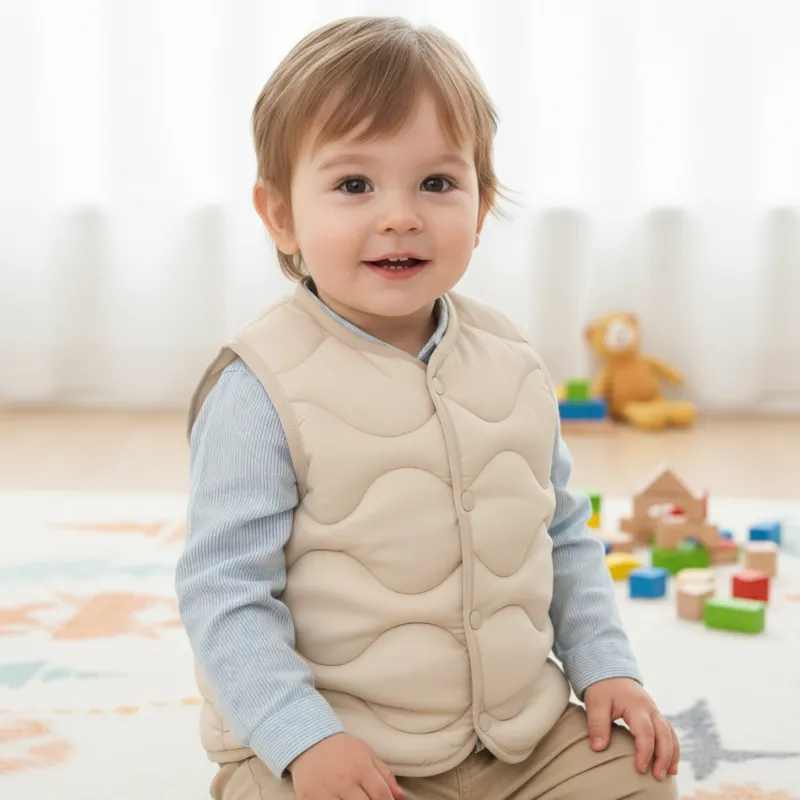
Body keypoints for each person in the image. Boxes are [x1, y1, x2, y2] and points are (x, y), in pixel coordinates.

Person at [175, 15, 679, 800]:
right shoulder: (259, 389)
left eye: (437, 184)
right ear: (280, 215)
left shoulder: (511, 359)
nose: (400, 216)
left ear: (481, 205)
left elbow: (561, 533)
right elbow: (224, 592)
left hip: (519, 736)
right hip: (336, 744)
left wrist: (606, 667)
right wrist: (304, 739)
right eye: (354, 185)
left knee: (640, 775)